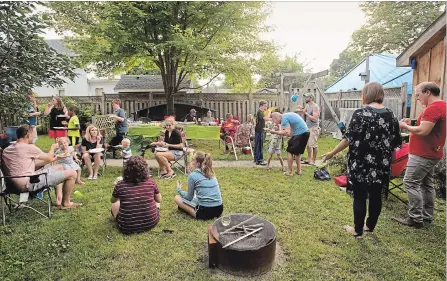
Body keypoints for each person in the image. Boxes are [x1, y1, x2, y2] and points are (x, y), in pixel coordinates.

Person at [323, 82, 401, 238]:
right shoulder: (391, 114)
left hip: (361, 164)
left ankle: (357, 230)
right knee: (376, 195)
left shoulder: (360, 113)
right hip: (381, 164)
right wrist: (391, 161)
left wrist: (331, 153)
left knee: (359, 196)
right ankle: (369, 226)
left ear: (366, 94)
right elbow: (395, 142)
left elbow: (348, 139)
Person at [392, 82, 446, 228]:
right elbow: (428, 126)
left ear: (428, 92)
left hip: (423, 154)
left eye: (418, 94)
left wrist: (405, 126)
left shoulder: (433, 108)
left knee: (410, 182)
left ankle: (415, 218)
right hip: (433, 152)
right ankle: (426, 216)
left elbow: (423, 131)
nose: (417, 98)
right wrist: (414, 122)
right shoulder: (441, 106)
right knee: (426, 184)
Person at [2, 125, 79, 209]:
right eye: (33, 134)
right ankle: (66, 203)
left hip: (11, 185)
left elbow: (31, 163)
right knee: (72, 173)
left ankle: (59, 198)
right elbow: (49, 157)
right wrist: (53, 147)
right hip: (28, 183)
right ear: (28, 135)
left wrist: (55, 158)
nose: (35, 137)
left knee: (60, 166)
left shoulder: (8, 149)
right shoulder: (28, 147)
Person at [111, 156, 162, 235]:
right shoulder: (151, 182)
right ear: (145, 169)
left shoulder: (120, 184)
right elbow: (159, 199)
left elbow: (112, 200)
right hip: (151, 223)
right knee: (157, 202)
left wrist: (118, 191)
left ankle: (127, 218)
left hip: (126, 227)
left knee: (115, 204)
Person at [174, 151, 223, 220]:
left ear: (198, 164)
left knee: (177, 198)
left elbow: (189, 198)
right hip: (219, 210)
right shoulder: (211, 173)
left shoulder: (192, 176)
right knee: (196, 196)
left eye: (193, 160)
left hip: (205, 212)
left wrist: (179, 190)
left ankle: (192, 212)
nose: (191, 162)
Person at [268, 112, 309, 176]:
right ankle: (299, 171)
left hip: (300, 133)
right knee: (297, 152)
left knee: (289, 151)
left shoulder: (284, 119)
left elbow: (287, 132)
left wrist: (274, 132)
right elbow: (289, 133)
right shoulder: (286, 115)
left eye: (274, 121)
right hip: (305, 132)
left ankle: (289, 172)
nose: (275, 123)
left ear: (276, 117)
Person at [297, 93, 320, 165]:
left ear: (310, 98)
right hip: (307, 127)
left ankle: (313, 160)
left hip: (314, 127)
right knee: (308, 144)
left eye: (306, 97)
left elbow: (315, 119)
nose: (305, 98)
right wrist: (301, 109)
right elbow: (303, 111)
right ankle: (309, 159)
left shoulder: (315, 106)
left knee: (313, 144)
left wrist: (305, 113)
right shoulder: (307, 105)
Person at [254, 101, 271, 165]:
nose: (266, 107)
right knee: (259, 146)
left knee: (257, 145)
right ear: (261, 106)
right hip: (259, 131)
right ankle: (260, 160)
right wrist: (269, 112)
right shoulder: (260, 112)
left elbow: (265, 119)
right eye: (265, 106)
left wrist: (271, 119)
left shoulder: (261, 112)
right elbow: (266, 118)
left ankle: (256, 159)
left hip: (259, 130)